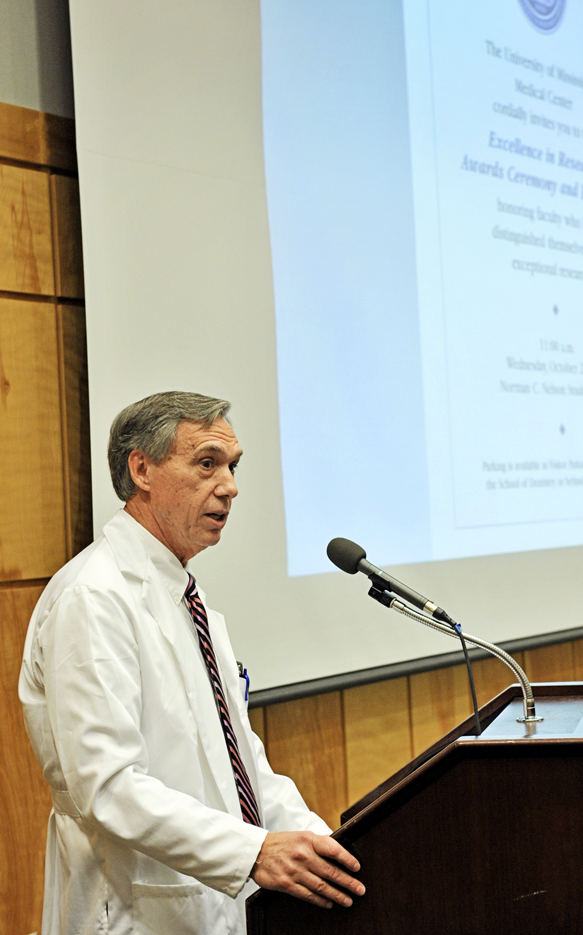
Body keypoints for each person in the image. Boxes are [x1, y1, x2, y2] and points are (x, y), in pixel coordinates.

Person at [20, 391, 365, 935]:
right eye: (207, 463)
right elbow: (108, 787)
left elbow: (240, 762)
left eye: (232, 467)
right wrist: (253, 852)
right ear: (142, 469)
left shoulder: (185, 595)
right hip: (133, 912)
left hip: (211, 905)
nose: (229, 485)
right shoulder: (94, 598)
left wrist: (330, 849)